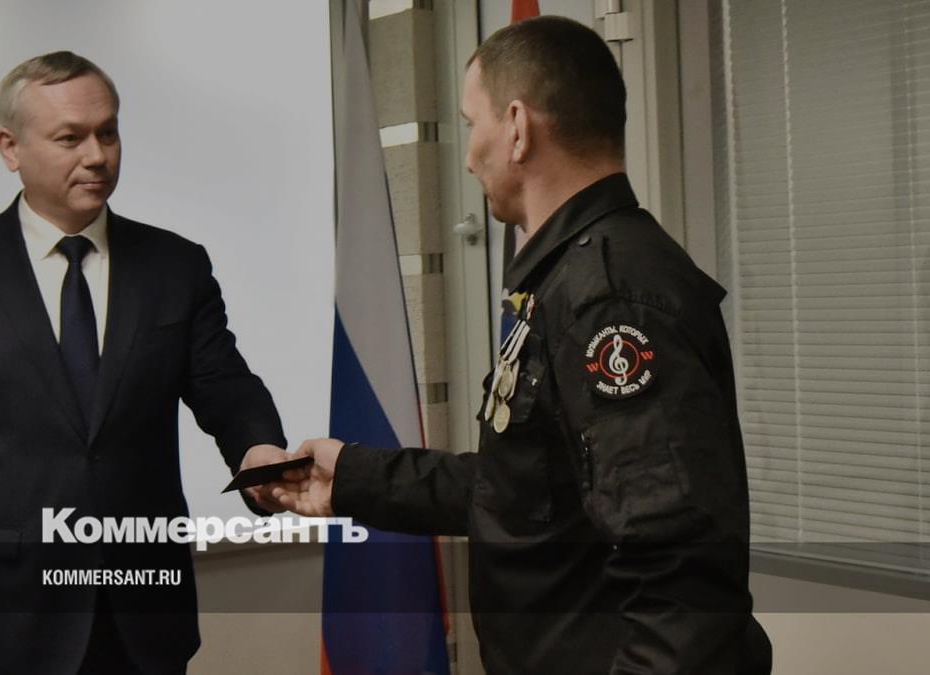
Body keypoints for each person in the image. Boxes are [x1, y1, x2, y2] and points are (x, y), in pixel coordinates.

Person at [275, 17, 773, 674]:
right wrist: (353, 476)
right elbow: (524, 490)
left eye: (470, 123)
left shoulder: (607, 297)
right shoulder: (572, 277)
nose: (467, 156)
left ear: (516, 127)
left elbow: (678, 576)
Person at [0, 51, 289, 675]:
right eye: (70, 138)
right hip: (1, 626)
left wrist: (257, 451)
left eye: (108, 133)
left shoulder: (175, 265)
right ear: (11, 148)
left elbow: (224, 385)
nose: (97, 155)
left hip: (145, 622)